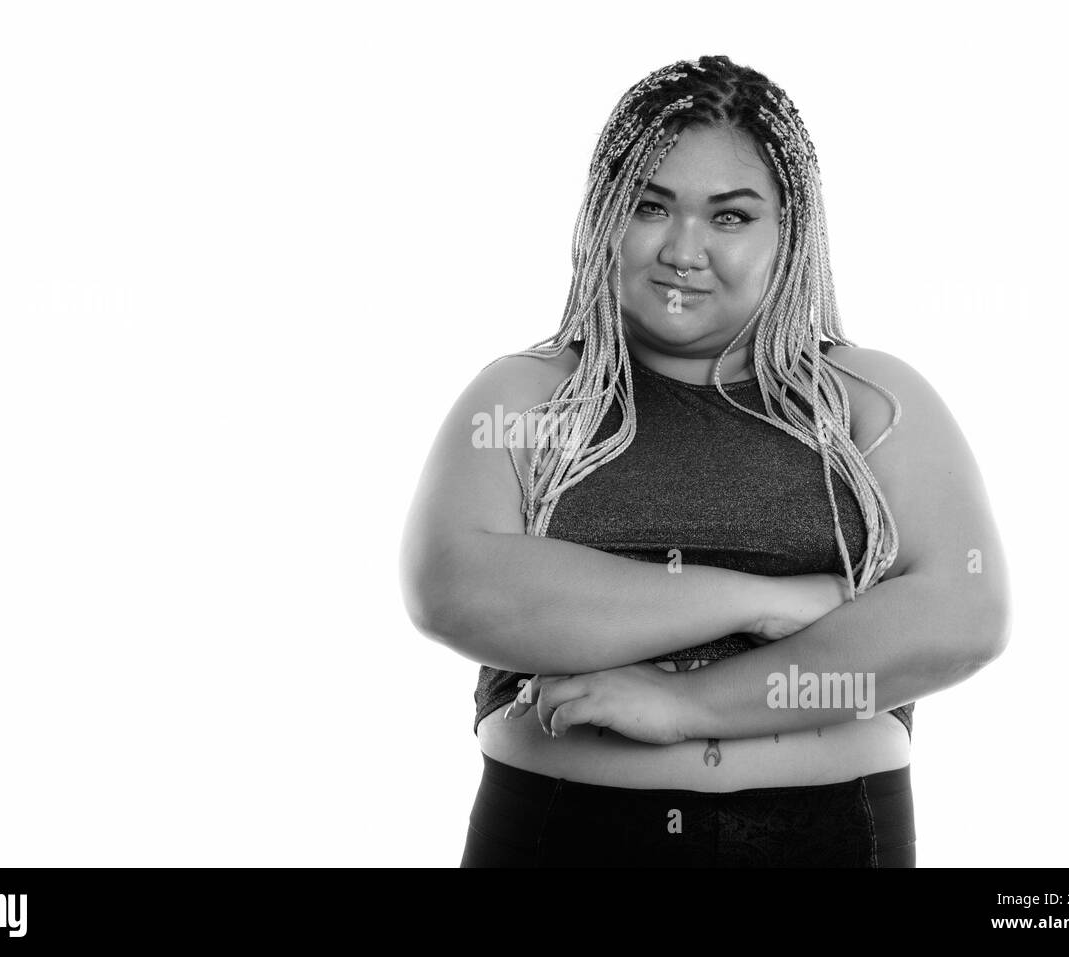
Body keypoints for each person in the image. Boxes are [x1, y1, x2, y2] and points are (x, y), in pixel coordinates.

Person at [399, 55, 1011, 867]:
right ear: (603, 216)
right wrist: (762, 600)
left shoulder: (869, 400)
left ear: (789, 230)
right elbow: (456, 586)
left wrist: (685, 703)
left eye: (730, 217)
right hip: (562, 835)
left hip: (827, 839)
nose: (683, 250)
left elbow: (960, 615)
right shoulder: (530, 395)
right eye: (651, 206)